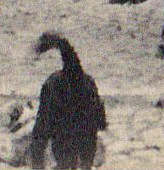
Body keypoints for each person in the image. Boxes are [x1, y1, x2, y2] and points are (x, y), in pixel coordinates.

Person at [29, 33, 107, 170]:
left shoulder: (53, 85)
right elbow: (99, 117)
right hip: (82, 133)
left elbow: (41, 128)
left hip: (67, 134)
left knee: (68, 161)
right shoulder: (87, 83)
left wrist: (37, 163)